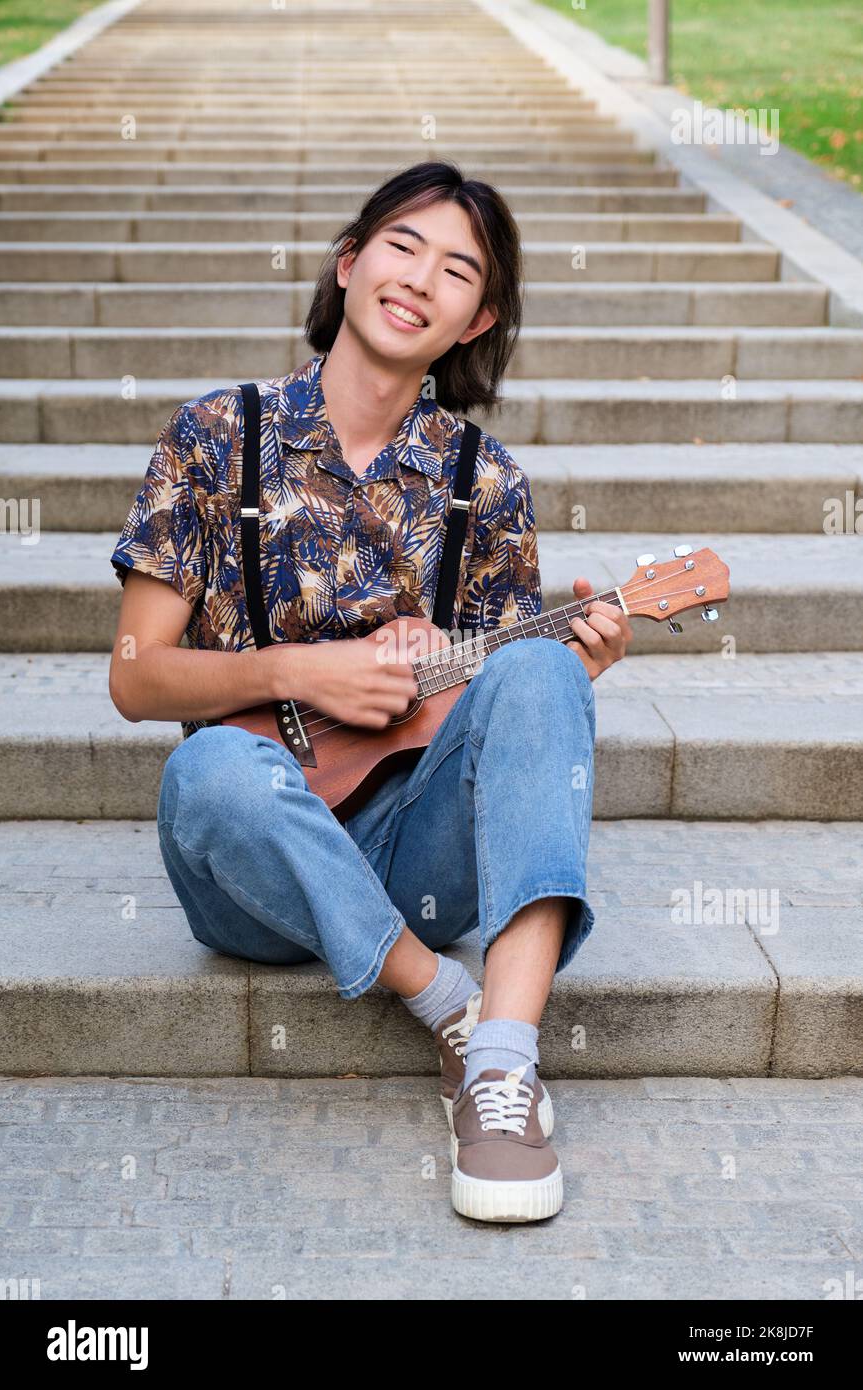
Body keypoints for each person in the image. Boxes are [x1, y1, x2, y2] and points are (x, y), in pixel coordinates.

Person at [107, 160, 632, 1223]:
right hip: (252, 864)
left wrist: (560, 668)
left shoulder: (485, 484)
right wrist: (297, 670)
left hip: (417, 854)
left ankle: (500, 1066)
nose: (418, 277)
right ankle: (445, 998)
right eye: (400, 244)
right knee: (207, 769)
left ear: (474, 321)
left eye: (455, 270)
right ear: (348, 264)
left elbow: (494, 706)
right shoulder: (216, 436)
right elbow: (134, 677)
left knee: (533, 662)